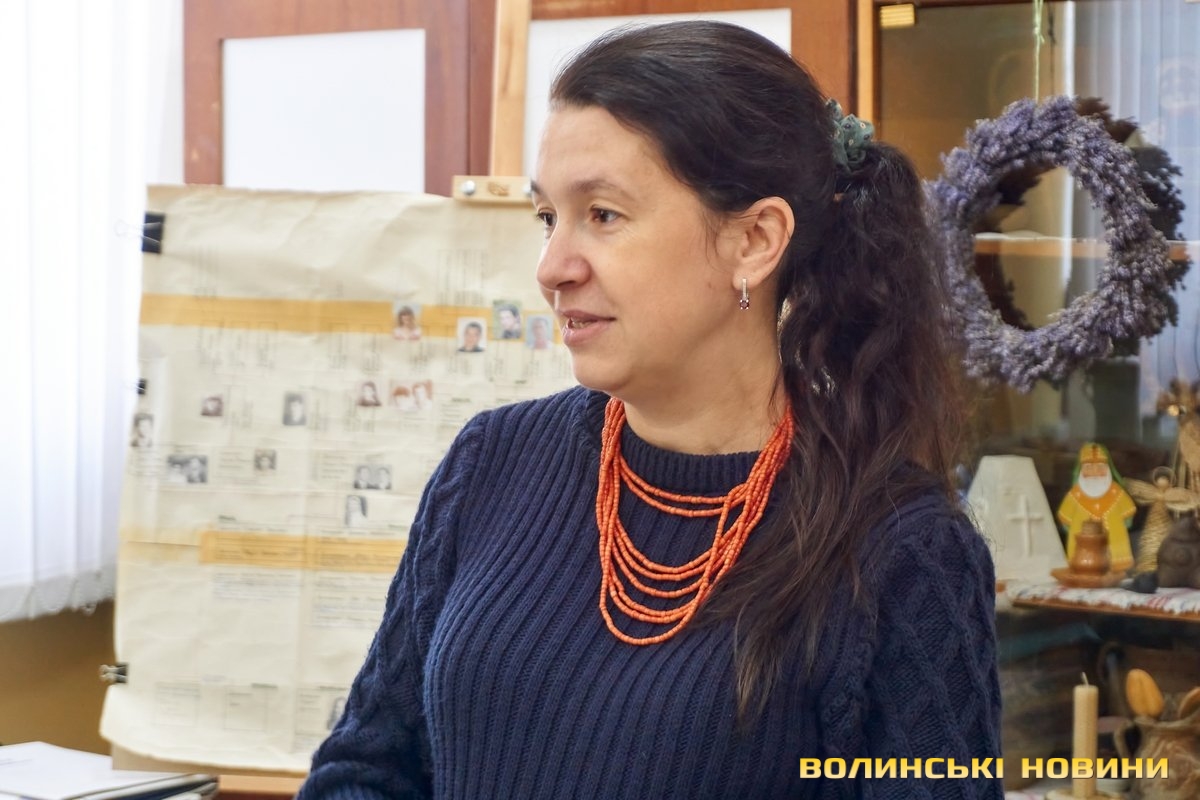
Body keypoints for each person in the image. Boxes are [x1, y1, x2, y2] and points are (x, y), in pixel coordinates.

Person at [300, 21, 1000, 800]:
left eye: (602, 214)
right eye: (547, 217)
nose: (552, 268)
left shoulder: (904, 551)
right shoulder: (491, 462)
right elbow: (365, 767)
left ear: (754, 240)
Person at [1057, 442, 1136, 572]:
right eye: (1089, 467)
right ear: (1081, 470)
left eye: (1100, 467)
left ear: (1108, 468)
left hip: (1116, 557)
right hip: (1083, 558)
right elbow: (1065, 522)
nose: (1095, 472)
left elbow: (1128, 518)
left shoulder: (1116, 492)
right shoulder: (1074, 495)